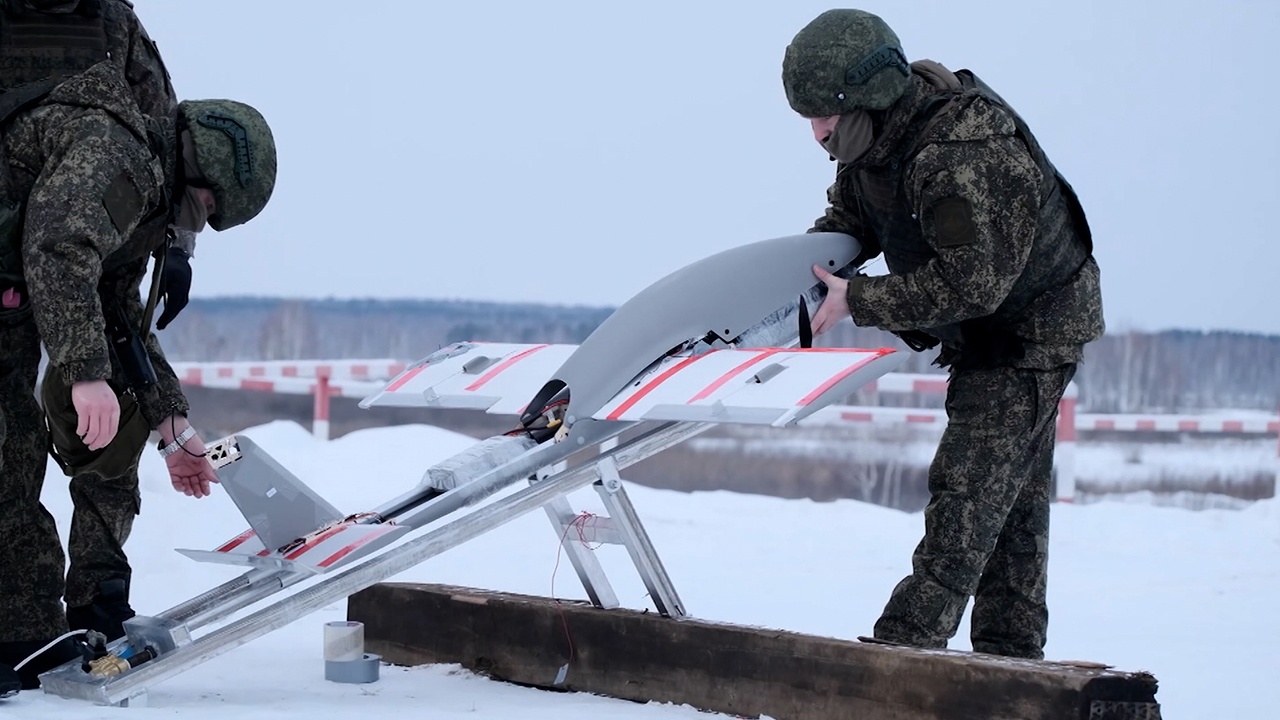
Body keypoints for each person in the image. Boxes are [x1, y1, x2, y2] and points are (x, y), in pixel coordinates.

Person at [781, 9, 1103, 660]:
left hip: (1029, 329)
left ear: (867, 99)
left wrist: (860, 299)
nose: (816, 133)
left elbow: (973, 283)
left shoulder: (961, 149)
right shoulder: (871, 142)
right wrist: (798, 273)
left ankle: (897, 658)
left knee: (967, 495)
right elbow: (854, 218)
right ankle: (1009, 668)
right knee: (1008, 511)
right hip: (988, 325)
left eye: (824, 117)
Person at [0, 1, 278, 689]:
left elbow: (118, 306)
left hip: (17, 286)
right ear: (200, 175)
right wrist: (82, 370)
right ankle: (19, 637)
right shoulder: (117, 152)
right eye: (209, 210)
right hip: (18, 281)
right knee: (11, 452)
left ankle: (84, 608)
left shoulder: (148, 179)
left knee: (94, 425)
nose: (200, 226)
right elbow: (59, 248)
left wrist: (169, 416)